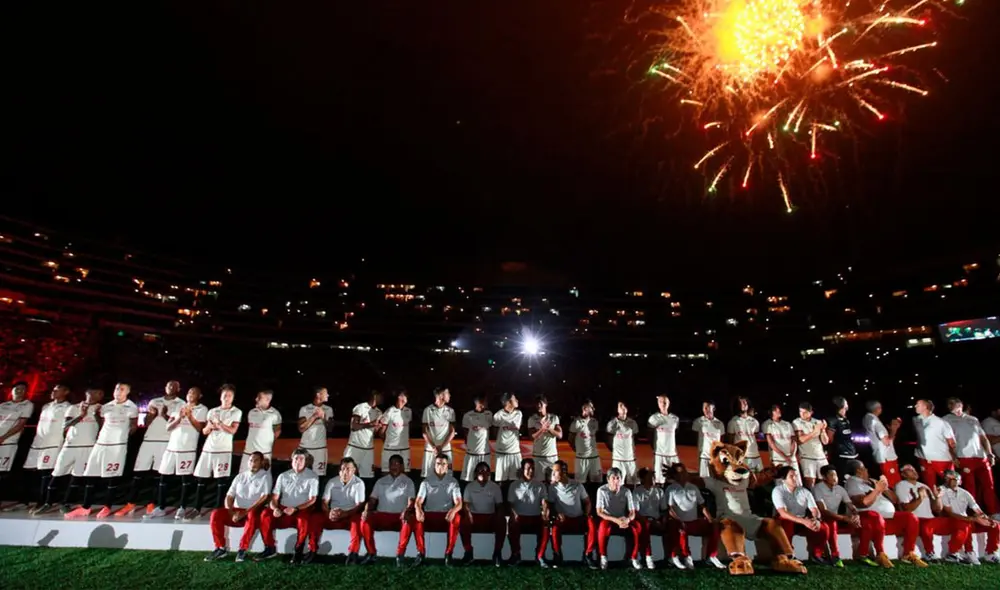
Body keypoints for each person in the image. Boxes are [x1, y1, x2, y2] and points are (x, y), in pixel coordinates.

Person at [68, 383, 138, 519]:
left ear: (127, 392)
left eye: (122, 389)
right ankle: (86, 507)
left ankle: (107, 506)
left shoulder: (132, 407)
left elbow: (133, 426)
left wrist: (123, 435)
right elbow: (101, 423)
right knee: (91, 474)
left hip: (117, 445)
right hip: (100, 444)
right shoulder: (105, 406)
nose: (118, 391)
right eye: (116, 388)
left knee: (112, 476)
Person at [844, 460, 927, 568]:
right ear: (859, 470)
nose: (867, 470)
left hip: (886, 517)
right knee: (876, 517)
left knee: (910, 517)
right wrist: (877, 490)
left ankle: (908, 553)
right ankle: (880, 554)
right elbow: (863, 503)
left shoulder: (871, 481)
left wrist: (885, 488)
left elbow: (895, 500)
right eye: (864, 468)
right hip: (867, 519)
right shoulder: (853, 482)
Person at [122, 380, 184, 516]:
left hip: (166, 441)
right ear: (165, 387)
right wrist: (153, 415)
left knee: (158, 475)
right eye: (169, 385)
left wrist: (165, 414)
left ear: (178, 389)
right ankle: (131, 503)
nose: (171, 388)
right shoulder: (154, 401)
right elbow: (146, 422)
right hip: (148, 440)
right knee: (139, 472)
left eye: (174, 386)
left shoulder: (181, 404)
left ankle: (152, 503)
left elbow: (178, 424)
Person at [38, 388, 103, 515]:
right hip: (70, 446)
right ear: (88, 393)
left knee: (77, 477)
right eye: (97, 392)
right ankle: (47, 503)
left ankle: (66, 503)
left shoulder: (101, 408)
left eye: (101, 393)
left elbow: (102, 427)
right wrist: (81, 415)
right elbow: (66, 424)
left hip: (88, 447)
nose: (100, 395)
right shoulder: (73, 407)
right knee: (57, 474)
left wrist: (96, 415)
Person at [148, 387, 208, 520]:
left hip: (187, 449)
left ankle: (182, 507)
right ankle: (161, 507)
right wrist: (179, 417)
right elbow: (168, 427)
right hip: (172, 447)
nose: (190, 394)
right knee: (163, 477)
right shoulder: (178, 407)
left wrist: (190, 416)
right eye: (189, 392)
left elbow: (200, 428)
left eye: (194, 393)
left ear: (199, 396)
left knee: (185, 480)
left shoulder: (202, 409)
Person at [204, 451, 272, 563]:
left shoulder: (265, 476)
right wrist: (231, 512)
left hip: (252, 511)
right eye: (251, 460)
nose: (253, 463)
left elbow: (264, 497)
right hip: (237, 512)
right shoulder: (240, 476)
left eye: (256, 460)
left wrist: (244, 512)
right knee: (216, 514)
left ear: (261, 462)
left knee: (252, 515)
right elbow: (229, 496)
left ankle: (242, 549)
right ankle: (220, 548)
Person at [259, 448, 320, 564]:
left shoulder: (313, 477)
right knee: (265, 514)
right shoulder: (283, 476)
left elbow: (312, 500)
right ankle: (269, 548)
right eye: (296, 458)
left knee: (303, 520)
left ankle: (298, 552)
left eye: (301, 459)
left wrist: (296, 508)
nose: (298, 461)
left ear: (306, 461)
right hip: (284, 509)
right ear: (292, 460)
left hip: (301, 509)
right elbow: (274, 497)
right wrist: (275, 508)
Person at [895, 463, 964, 562]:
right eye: (909, 469)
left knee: (961, 522)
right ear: (903, 474)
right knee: (927, 525)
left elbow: (937, 509)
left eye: (914, 469)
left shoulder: (924, 486)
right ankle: (929, 553)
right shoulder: (901, 485)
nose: (914, 471)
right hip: (917, 521)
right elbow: (907, 509)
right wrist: (920, 498)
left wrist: (937, 497)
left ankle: (954, 553)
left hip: (931, 519)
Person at [193, 384, 242, 513]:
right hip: (208, 449)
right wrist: (209, 426)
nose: (227, 397)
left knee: (221, 481)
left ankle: (218, 510)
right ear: (220, 396)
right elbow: (204, 431)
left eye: (230, 395)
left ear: (233, 398)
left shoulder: (236, 412)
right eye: (225, 395)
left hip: (223, 450)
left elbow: (233, 430)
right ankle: (197, 508)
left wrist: (220, 424)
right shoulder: (212, 411)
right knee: (201, 479)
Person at [361, 453, 416, 567]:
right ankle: (371, 553)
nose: (394, 466)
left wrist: (407, 510)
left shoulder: (408, 482)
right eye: (391, 464)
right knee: (364, 520)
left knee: (408, 519)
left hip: (399, 516)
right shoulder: (381, 481)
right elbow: (372, 500)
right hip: (382, 515)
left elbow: (411, 502)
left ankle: (400, 555)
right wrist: (366, 509)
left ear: (402, 466)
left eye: (397, 463)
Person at [664, 463, 724, 570]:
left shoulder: (693, 487)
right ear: (675, 475)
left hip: (694, 522)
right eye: (679, 473)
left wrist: (710, 519)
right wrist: (679, 520)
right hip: (680, 523)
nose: (682, 475)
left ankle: (711, 556)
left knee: (715, 526)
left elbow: (702, 506)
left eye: (684, 472)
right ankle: (687, 556)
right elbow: (670, 509)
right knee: (680, 529)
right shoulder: (671, 489)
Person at [943, 398, 997, 515]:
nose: (950, 405)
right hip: (964, 458)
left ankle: (993, 512)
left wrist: (989, 453)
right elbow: (946, 441)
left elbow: (984, 438)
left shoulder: (973, 419)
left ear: (960, 404)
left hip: (981, 457)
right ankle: (974, 514)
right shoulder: (946, 420)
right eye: (948, 404)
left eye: (953, 403)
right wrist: (953, 457)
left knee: (989, 486)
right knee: (970, 488)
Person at [23, 385, 70, 510]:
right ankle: (25, 501)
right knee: (30, 471)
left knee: (46, 472)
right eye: (53, 389)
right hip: (38, 443)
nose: (54, 391)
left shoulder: (68, 407)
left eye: (57, 390)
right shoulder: (46, 406)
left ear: (66, 391)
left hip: (53, 444)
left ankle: (44, 501)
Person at [312, 457, 367, 564]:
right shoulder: (332, 482)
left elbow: (359, 505)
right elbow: (324, 502)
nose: (345, 472)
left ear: (354, 470)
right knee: (316, 518)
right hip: (333, 514)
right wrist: (329, 513)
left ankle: (353, 553)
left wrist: (345, 514)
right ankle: (312, 551)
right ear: (339, 470)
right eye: (343, 469)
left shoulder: (359, 483)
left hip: (349, 514)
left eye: (348, 469)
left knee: (357, 521)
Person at [939, 469, 1000, 565]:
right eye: (949, 478)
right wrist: (973, 519)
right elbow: (950, 513)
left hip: (965, 519)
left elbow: (977, 509)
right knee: (965, 523)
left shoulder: (964, 493)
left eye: (955, 479)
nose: (952, 481)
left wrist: (985, 518)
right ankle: (960, 552)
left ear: (960, 481)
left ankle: (990, 553)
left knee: (995, 525)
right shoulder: (942, 490)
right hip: (951, 521)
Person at [771, 466, 830, 564]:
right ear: (783, 479)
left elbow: (815, 509)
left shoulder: (804, 491)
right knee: (786, 522)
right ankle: (788, 554)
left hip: (802, 520)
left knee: (824, 528)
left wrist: (816, 519)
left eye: (796, 476)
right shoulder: (778, 490)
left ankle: (816, 554)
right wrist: (804, 521)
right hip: (787, 519)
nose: (795, 478)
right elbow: (783, 513)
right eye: (791, 476)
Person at [546, 460, 599, 569]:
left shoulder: (577, 485)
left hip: (578, 518)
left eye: (556, 471)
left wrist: (586, 514)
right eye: (553, 472)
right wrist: (556, 513)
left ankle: (588, 555)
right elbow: (550, 505)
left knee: (591, 523)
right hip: (563, 520)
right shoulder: (553, 488)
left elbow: (587, 502)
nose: (553, 474)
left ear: (564, 471)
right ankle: (557, 555)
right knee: (555, 527)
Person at [413, 453, 463, 566]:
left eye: (443, 464)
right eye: (438, 463)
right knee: (416, 518)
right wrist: (418, 509)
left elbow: (459, 503)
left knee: (456, 517)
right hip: (430, 515)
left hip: (446, 516)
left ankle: (448, 554)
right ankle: (420, 553)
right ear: (434, 465)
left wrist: (453, 511)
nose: (440, 466)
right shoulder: (426, 481)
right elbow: (418, 501)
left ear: (447, 466)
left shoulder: (453, 482)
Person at [595, 466, 644, 570]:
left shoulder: (626, 491)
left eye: (618, 478)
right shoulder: (602, 490)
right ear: (608, 479)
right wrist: (615, 520)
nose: (616, 481)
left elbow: (632, 512)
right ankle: (603, 556)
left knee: (636, 527)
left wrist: (628, 519)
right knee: (603, 527)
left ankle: (633, 557)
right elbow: (599, 512)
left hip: (622, 520)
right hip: (609, 519)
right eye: (613, 478)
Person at [459, 461, 506, 566]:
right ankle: (468, 552)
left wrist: (500, 515)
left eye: (485, 471)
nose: (482, 473)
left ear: (489, 473)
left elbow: (499, 505)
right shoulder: (470, 487)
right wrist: (468, 514)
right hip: (474, 517)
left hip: (490, 517)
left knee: (502, 521)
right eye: (479, 471)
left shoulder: (495, 487)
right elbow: (466, 504)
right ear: (475, 473)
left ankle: (497, 553)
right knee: (464, 521)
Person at [506, 458, 548, 566]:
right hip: (520, 517)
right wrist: (514, 514)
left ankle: (540, 556)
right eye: (528, 468)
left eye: (533, 468)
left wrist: (545, 513)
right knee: (512, 523)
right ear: (522, 470)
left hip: (535, 517)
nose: (531, 471)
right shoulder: (514, 485)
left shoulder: (540, 485)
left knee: (546, 526)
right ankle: (516, 554)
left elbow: (544, 502)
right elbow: (510, 504)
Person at [811, 465, 855, 568]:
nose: (835, 478)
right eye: (831, 475)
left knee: (833, 524)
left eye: (835, 475)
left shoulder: (840, 489)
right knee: (830, 525)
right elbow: (822, 510)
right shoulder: (818, 488)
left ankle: (834, 556)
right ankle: (822, 554)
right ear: (824, 477)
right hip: (820, 518)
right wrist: (844, 518)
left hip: (834, 518)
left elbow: (850, 505)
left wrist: (855, 514)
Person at [0, 382, 34, 504]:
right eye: (17, 388)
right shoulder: (3, 405)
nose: (19, 391)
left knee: (2, 472)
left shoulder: (27, 405)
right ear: (12, 390)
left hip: (8, 442)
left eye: (23, 389)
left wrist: (3, 437)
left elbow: (20, 424)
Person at [913, 399, 958, 487]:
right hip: (924, 459)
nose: (915, 406)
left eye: (918, 404)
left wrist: (954, 457)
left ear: (925, 407)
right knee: (929, 487)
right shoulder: (916, 420)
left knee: (951, 485)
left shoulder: (940, 422)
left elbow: (951, 442)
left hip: (941, 460)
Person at [240, 390, 282, 473]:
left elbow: (277, 431)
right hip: (249, 451)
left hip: (265, 453)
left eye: (259, 397)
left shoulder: (275, 414)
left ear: (267, 399)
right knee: (243, 475)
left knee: (263, 476)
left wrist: (266, 442)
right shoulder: (251, 412)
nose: (256, 399)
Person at [632, 467, 665, 570]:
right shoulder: (637, 492)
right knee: (645, 527)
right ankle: (648, 556)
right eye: (649, 476)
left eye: (653, 476)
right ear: (643, 479)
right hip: (644, 520)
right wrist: (648, 521)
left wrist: (663, 521)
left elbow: (664, 509)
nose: (652, 479)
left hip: (657, 520)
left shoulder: (659, 491)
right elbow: (636, 512)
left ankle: (673, 556)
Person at [863, 401, 902, 487]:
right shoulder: (875, 421)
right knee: (893, 484)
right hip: (886, 457)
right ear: (878, 409)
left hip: (879, 455)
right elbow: (886, 442)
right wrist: (894, 429)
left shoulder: (866, 418)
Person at [345, 391, 382, 479]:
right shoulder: (360, 407)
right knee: (347, 475)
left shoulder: (379, 412)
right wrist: (370, 424)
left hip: (368, 449)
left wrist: (377, 429)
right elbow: (353, 426)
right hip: (355, 447)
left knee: (367, 477)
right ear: (375, 396)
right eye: (381, 396)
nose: (382, 398)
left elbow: (372, 432)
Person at [298, 387, 333, 477]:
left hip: (320, 449)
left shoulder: (328, 409)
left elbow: (330, 429)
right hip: (305, 448)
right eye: (326, 393)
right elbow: (301, 428)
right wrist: (314, 416)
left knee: (319, 476)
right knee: (302, 474)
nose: (328, 395)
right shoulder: (305, 409)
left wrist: (323, 418)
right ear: (318, 394)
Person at [421, 387, 455, 478]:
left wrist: (441, 447)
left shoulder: (450, 411)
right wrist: (434, 447)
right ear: (441, 395)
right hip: (430, 450)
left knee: (447, 477)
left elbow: (452, 432)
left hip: (445, 449)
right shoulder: (427, 410)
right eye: (448, 393)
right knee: (428, 477)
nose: (449, 395)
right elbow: (424, 432)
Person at [793, 403, 829, 488]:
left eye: (805, 412)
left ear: (811, 412)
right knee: (810, 483)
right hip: (807, 456)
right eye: (800, 411)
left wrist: (823, 430)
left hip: (820, 456)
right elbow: (800, 440)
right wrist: (814, 432)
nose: (802, 414)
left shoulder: (818, 422)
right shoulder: (797, 422)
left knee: (825, 481)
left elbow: (825, 442)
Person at [378, 389, 413, 473]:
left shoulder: (408, 411)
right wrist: (388, 443)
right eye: (405, 396)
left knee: (405, 472)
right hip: (390, 449)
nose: (407, 398)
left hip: (405, 449)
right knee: (386, 472)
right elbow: (381, 432)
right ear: (399, 397)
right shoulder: (389, 411)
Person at [527, 395, 561, 483]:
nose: (538, 405)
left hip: (552, 457)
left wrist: (549, 428)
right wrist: (542, 429)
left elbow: (560, 435)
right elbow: (531, 437)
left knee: (553, 482)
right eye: (536, 404)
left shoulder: (554, 418)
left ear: (546, 404)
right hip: (538, 457)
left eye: (540, 403)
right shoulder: (532, 419)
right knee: (539, 483)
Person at [648, 395, 680, 484]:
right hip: (659, 454)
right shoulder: (653, 418)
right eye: (661, 402)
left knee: (675, 480)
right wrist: (654, 447)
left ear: (669, 403)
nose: (663, 404)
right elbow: (649, 434)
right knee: (659, 481)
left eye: (665, 402)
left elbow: (675, 433)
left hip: (672, 454)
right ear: (658, 404)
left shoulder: (675, 419)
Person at [460, 395, 493, 482]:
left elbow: (492, 428)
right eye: (485, 401)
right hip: (472, 452)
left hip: (484, 452)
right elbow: (465, 432)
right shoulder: (468, 415)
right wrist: (468, 444)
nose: (487, 403)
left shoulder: (489, 414)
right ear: (480, 403)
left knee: (485, 478)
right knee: (470, 478)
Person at [568, 399, 601, 483]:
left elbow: (594, 437)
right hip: (581, 458)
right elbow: (570, 439)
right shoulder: (576, 423)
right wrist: (577, 450)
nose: (593, 409)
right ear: (585, 408)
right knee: (580, 484)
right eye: (591, 407)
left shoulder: (595, 422)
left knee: (596, 482)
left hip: (594, 458)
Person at [606, 401, 639, 484]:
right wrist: (615, 451)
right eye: (621, 406)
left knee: (634, 483)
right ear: (617, 409)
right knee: (617, 484)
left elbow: (635, 438)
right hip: (618, 460)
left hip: (631, 459)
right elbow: (608, 440)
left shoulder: (633, 423)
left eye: (625, 406)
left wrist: (631, 450)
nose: (623, 408)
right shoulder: (612, 423)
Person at [826, 397, 859, 477]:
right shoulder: (832, 419)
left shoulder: (846, 419)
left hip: (852, 454)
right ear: (841, 405)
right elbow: (830, 440)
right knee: (844, 478)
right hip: (841, 456)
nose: (847, 405)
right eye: (846, 403)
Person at [493, 393, 523, 482]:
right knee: (501, 481)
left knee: (516, 481)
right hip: (501, 453)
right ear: (508, 402)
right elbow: (494, 432)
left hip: (515, 452)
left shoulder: (518, 413)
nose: (517, 400)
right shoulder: (498, 415)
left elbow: (517, 426)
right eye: (515, 399)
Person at [728, 397, 762, 472]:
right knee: (743, 477)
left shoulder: (755, 421)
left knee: (758, 477)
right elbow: (731, 441)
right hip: (742, 457)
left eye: (745, 402)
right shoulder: (733, 422)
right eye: (742, 402)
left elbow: (756, 437)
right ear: (737, 405)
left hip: (755, 455)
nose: (745, 403)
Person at [692, 401, 725, 478]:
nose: (706, 410)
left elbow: (721, 440)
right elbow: (695, 436)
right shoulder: (698, 421)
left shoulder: (720, 423)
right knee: (704, 479)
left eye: (708, 407)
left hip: (715, 457)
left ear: (713, 408)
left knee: (716, 478)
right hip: (703, 456)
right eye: (704, 408)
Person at [762, 404, 798, 471]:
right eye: (775, 410)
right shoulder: (767, 425)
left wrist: (791, 455)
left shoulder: (787, 424)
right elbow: (771, 443)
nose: (779, 410)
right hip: (778, 459)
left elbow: (793, 440)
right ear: (771, 412)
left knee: (795, 477)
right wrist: (785, 457)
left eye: (779, 409)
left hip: (791, 459)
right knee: (781, 477)